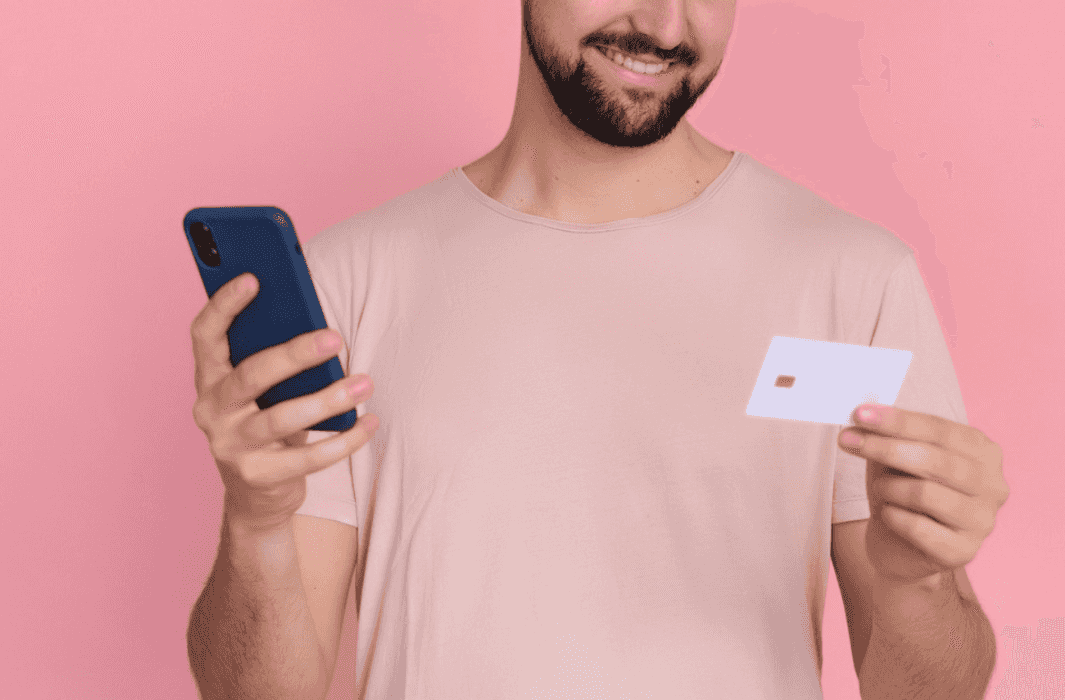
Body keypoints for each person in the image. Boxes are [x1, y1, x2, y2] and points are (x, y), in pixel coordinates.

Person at [186, 1, 1010, 698]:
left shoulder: (849, 281)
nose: (664, 26)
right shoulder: (345, 285)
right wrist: (257, 523)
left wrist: (915, 584)